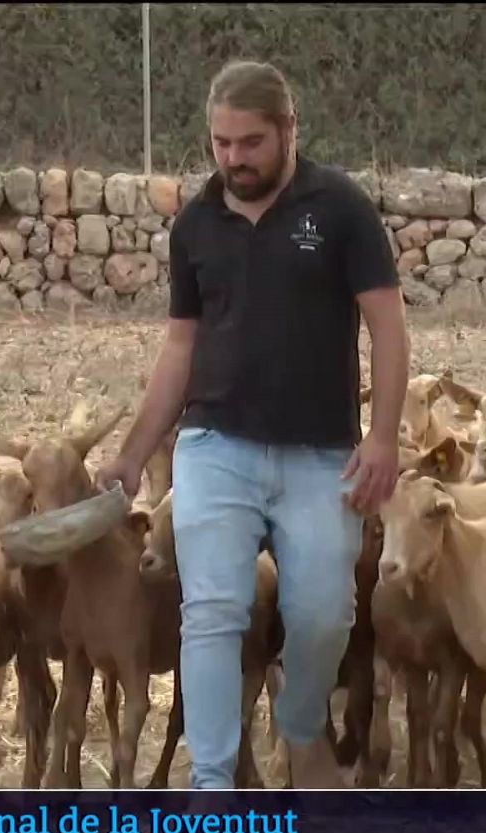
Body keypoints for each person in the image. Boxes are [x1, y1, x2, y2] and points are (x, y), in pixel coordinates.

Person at [92, 59, 408, 790]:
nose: (234, 158)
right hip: (215, 448)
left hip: (320, 453)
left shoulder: (341, 211)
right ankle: (212, 782)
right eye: (221, 143)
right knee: (211, 611)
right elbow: (180, 346)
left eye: (250, 142)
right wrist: (134, 453)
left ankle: (301, 732)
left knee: (325, 613)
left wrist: (383, 436)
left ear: (288, 130)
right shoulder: (197, 225)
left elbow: (388, 327)